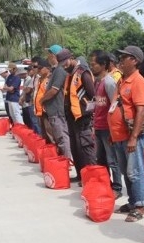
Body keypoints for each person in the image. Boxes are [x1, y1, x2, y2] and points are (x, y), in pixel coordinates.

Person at [109, 46, 144, 222]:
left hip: (130, 137)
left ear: (134, 61)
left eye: (125, 57)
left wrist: (133, 137)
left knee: (135, 172)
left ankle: (140, 206)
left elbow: (141, 110)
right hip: (119, 136)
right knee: (127, 172)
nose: (121, 60)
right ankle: (133, 202)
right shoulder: (122, 81)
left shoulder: (138, 81)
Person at [57, 49, 97, 184]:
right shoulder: (70, 74)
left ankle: (90, 176)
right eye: (61, 64)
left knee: (85, 148)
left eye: (65, 62)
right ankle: (81, 175)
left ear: (71, 58)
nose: (64, 66)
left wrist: (89, 112)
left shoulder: (83, 73)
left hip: (83, 116)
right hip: (72, 116)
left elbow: (93, 95)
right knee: (75, 147)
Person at [89, 50, 123, 200]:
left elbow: (114, 104)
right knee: (101, 159)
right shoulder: (97, 82)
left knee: (112, 160)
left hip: (107, 129)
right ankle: (105, 184)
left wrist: (113, 129)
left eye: (94, 64)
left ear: (103, 65)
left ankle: (117, 187)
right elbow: (98, 104)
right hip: (98, 126)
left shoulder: (109, 82)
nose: (92, 67)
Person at [41, 44, 72, 159]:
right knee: (59, 137)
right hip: (53, 110)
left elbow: (54, 90)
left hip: (57, 111)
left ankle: (67, 161)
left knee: (62, 137)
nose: (48, 57)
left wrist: (42, 100)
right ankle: (64, 159)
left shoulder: (59, 71)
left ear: (54, 55)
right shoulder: (56, 70)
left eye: (49, 54)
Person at [33, 58, 56, 144]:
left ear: (47, 68)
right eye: (37, 68)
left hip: (47, 112)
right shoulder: (39, 79)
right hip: (40, 112)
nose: (38, 70)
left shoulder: (49, 79)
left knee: (51, 135)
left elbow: (51, 94)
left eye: (40, 68)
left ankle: (55, 154)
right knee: (45, 135)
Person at [18, 67, 41, 135]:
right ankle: (35, 135)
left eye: (29, 70)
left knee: (35, 122)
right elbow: (27, 89)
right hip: (32, 101)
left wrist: (25, 92)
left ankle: (38, 136)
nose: (28, 72)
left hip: (35, 102)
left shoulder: (36, 78)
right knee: (32, 121)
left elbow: (28, 90)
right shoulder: (33, 78)